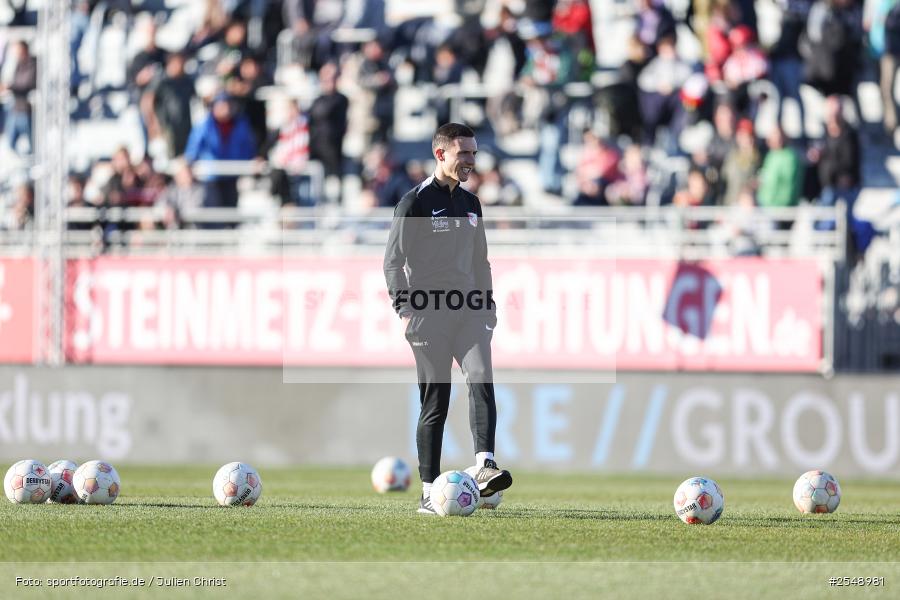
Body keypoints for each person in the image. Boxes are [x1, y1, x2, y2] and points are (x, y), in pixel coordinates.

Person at [383, 123, 513, 515]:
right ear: (441, 155)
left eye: (474, 153)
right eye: (464, 154)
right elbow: (392, 263)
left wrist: (488, 307)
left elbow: (481, 262)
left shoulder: (472, 205)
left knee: (481, 377)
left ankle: (484, 466)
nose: (471, 161)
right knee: (435, 403)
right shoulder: (415, 203)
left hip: (470, 312)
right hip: (428, 315)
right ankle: (428, 490)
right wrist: (405, 311)